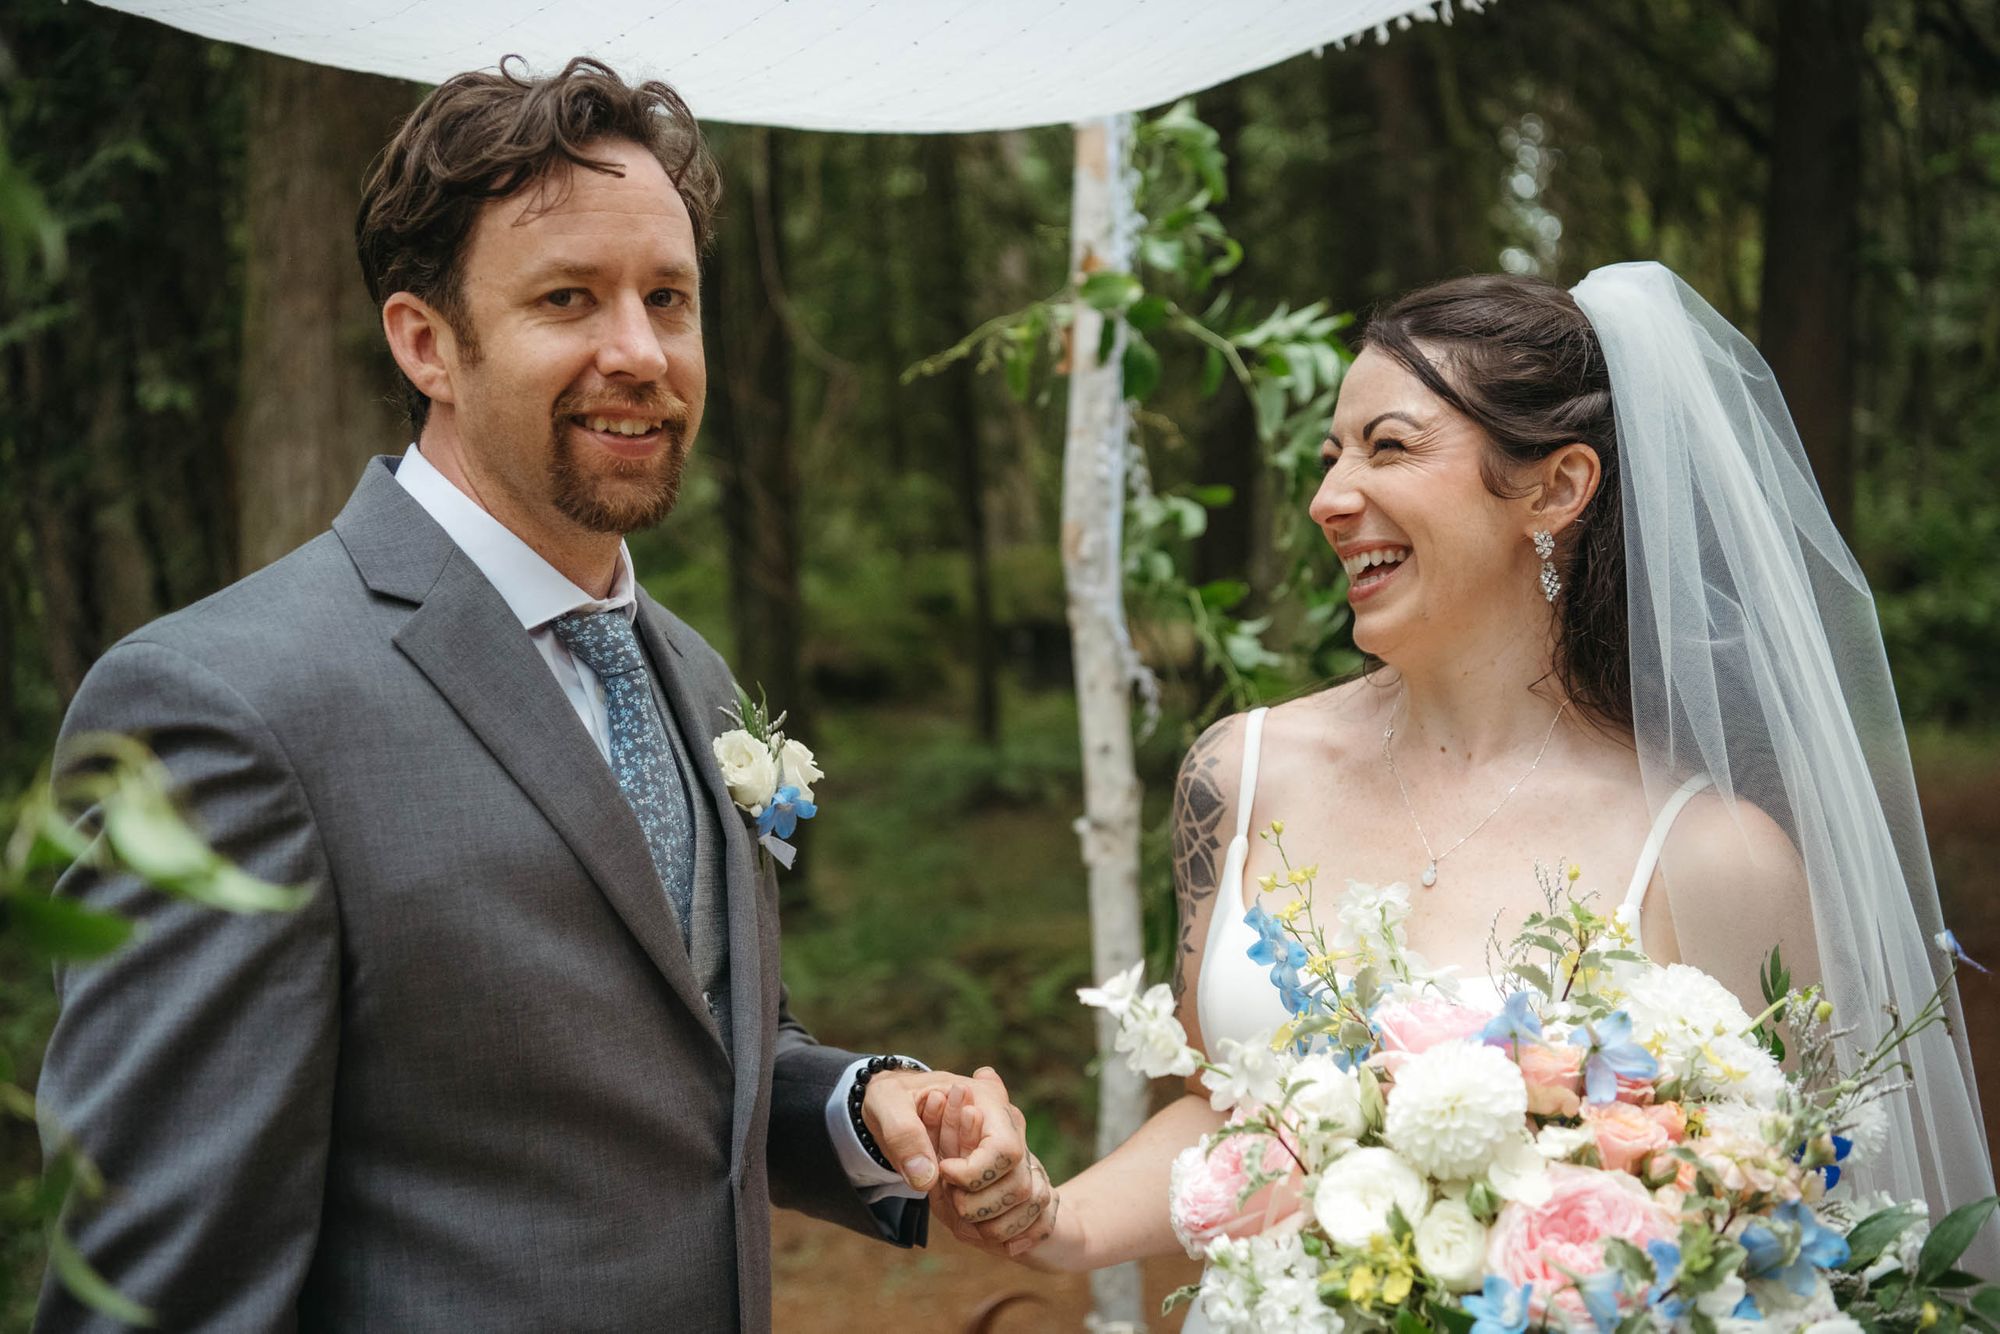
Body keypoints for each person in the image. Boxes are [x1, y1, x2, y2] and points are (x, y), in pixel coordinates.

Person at [34, 57, 1050, 1332]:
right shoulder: (220, 707)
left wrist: (865, 1109)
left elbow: (681, 1067)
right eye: (569, 297)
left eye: (667, 299)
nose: (639, 352)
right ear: (426, 342)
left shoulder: (689, 671)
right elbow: (153, 1296)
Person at [944, 263, 1996, 1314]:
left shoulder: (1713, 854)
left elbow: (1791, 1224)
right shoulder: (1238, 773)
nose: (1325, 498)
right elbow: (1228, 1115)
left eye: (1387, 445)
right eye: (1328, 455)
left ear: (1555, 487)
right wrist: (1057, 1219)